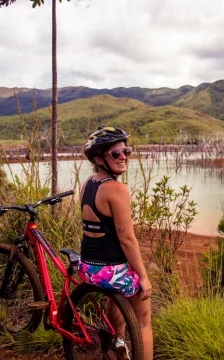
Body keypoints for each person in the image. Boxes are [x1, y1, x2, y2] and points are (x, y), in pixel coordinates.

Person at [77, 126, 153, 360]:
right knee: (143, 320)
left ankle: (116, 343)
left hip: (88, 268)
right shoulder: (117, 190)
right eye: (115, 154)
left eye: (126, 152)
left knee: (115, 292)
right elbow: (127, 238)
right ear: (99, 158)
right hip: (111, 271)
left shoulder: (88, 184)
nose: (123, 158)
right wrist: (143, 276)